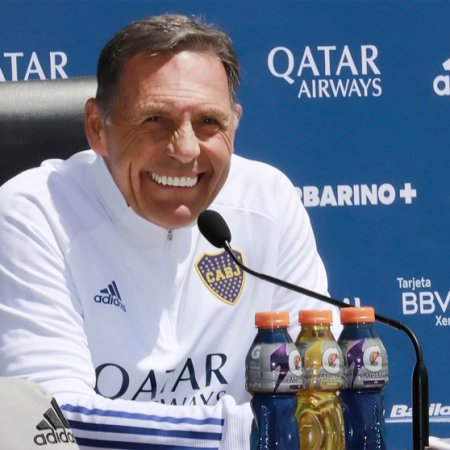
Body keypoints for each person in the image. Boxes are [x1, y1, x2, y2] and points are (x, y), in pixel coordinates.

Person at [0, 14, 339, 449]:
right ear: (97, 128)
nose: (184, 149)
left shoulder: (268, 199)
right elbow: (50, 419)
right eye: (154, 120)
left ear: (235, 124)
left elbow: (315, 388)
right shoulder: (33, 212)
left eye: (209, 122)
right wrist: (237, 432)